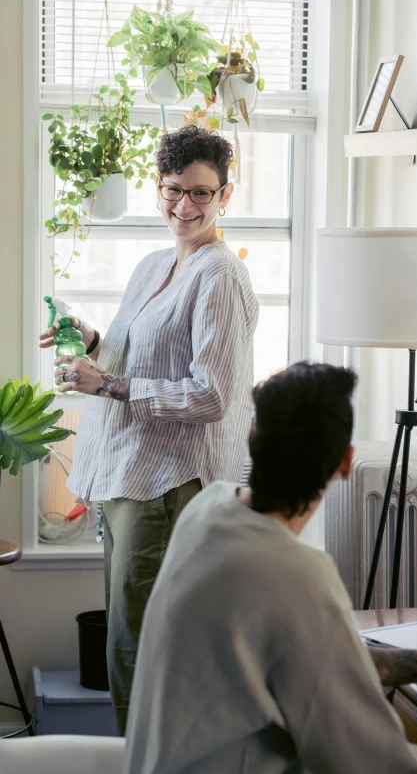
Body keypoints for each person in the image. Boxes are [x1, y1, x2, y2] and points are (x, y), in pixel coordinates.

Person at [123, 362, 417, 774]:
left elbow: (329, 664)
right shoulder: (297, 577)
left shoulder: (205, 510)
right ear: (346, 461)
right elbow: (370, 760)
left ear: (251, 440)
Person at [39, 126, 259, 735]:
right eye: (172, 190)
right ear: (157, 187)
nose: (184, 206)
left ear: (225, 195)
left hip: (170, 489)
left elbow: (212, 396)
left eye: (201, 193)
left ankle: (153, 761)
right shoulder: (154, 264)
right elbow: (135, 361)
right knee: (127, 644)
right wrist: (92, 344)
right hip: (129, 481)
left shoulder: (219, 277)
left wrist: (105, 385)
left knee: (142, 651)